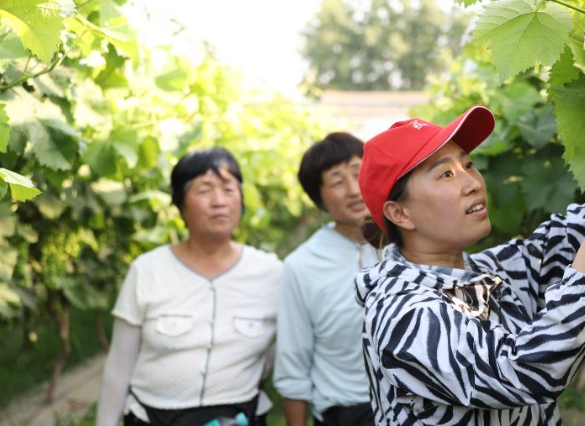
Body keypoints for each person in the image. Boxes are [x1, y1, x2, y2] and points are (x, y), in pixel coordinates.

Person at [354, 106, 585, 426]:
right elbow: (526, 372)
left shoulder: (491, 270)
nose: (473, 182)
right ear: (400, 214)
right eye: (447, 174)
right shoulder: (402, 314)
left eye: (469, 164)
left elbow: (581, 230)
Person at [95, 148, 283, 426]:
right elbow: (119, 366)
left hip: (239, 417)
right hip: (154, 417)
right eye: (205, 190)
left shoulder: (270, 272)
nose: (219, 201)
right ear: (181, 205)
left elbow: (293, 343)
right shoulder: (147, 270)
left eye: (229, 189)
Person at [273, 133, 379, 426]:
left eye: (358, 173)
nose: (353, 189)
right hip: (349, 413)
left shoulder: (414, 239)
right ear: (319, 200)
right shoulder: (302, 265)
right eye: (336, 181)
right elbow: (293, 361)